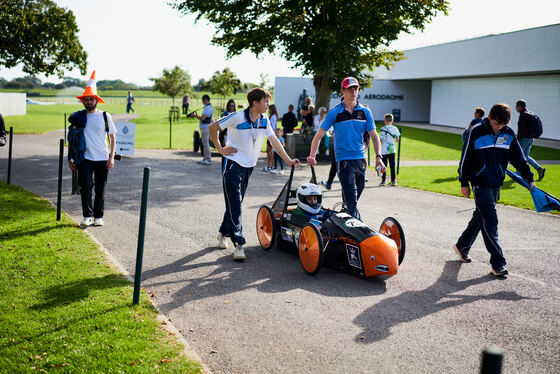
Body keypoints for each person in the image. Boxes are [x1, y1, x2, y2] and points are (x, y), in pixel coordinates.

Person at [209, 88, 300, 261]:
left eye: (268, 101)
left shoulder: (264, 119)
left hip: (248, 167)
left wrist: (288, 161)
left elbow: (273, 141)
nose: (268, 104)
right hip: (232, 165)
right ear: (255, 103)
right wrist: (220, 149)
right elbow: (213, 127)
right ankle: (239, 244)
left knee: (234, 202)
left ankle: (222, 233)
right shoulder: (237, 117)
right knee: (235, 203)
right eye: (265, 101)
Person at [454, 103, 535, 277]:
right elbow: (465, 158)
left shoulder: (508, 133)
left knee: (480, 217)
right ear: (489, 118)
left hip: (496, 182)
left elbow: (519, 158)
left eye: (503, 124)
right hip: (479, 182)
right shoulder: (475, 131)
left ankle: (462, 245)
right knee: (490, 220)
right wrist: (464, 182)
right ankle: (498, 263)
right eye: (497, 123)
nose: (499, 127)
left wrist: (529, 178)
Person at [307, 77, 385, 220]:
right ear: (342, 91)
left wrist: (379, 157)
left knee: (353, 198)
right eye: (350, 89)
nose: (353, 91)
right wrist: (312, 155)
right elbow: (318, 136)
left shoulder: (365, 112)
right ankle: (362, 232)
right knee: (351, 198)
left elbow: (374, 137)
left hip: (361, 160)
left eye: (355, 88)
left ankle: (344, 218)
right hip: (343, 160)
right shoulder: (334, 113)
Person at [68, 71, 117, 228]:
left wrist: (111, 157)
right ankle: (87, 216)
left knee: (100, 188)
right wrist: (70, 158)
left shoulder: (105, 116)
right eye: (86, 99)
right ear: (83, 101)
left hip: (102, 157)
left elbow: (112, 138)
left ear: (97, 100)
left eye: (91, 99)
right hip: (85, 158)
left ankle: (98, 216)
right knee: (86, 186)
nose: (88, 102)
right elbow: (72, 139)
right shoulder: (78, 118)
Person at [516, 99, 546, 180]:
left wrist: (517, 140)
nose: (516, 108)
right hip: (530, 138)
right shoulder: (531, 113)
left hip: (523, 139)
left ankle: (518, 175)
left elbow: (521, 129)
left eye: (516, 106)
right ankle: (539, 168)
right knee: (525, 156)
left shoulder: (523, 115)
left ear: (519, 106)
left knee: (519, 157)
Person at [190, 94, 214, 165]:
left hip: (205, 128)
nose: (202, 101)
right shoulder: (208, 107)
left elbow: (203, 118)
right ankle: (205, 158)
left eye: (203, 100)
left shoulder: (208, 108)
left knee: (206, 144)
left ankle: (208, 159)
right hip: (205, 127)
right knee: (204, 143)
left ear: (205, 99)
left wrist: (195, 115)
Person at [379, 113, 401, 186]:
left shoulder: (383, 129)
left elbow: (381, 140)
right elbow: (397, 138)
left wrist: (384, 143)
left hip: (384, 150)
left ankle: (383, 180)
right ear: (392, 121)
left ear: (385, 121)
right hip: (392, 150)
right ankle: (393, 181)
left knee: (384, 165)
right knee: (392, 166)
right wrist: (392, 142)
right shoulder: (395, 128)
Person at [263, 104, 279, 172]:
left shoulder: (272, 117)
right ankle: (269, 165)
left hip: (271, 136)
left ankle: (271, 165)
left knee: (270, 152)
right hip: (270, 136)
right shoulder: (274, 116)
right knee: (268, 151)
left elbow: (272, 127)